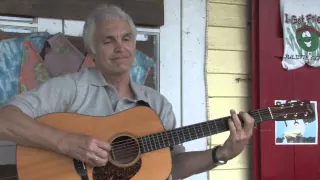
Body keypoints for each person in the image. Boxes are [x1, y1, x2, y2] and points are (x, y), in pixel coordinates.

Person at [0, 4, 254, 180]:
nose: (120, 47)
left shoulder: (157, 105)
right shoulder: (71, 88)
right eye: (108, 40)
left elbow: (173, 166)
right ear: (93, 50)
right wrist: (65, 143)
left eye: (126, 38)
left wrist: (222, 153)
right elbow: (5, 120)